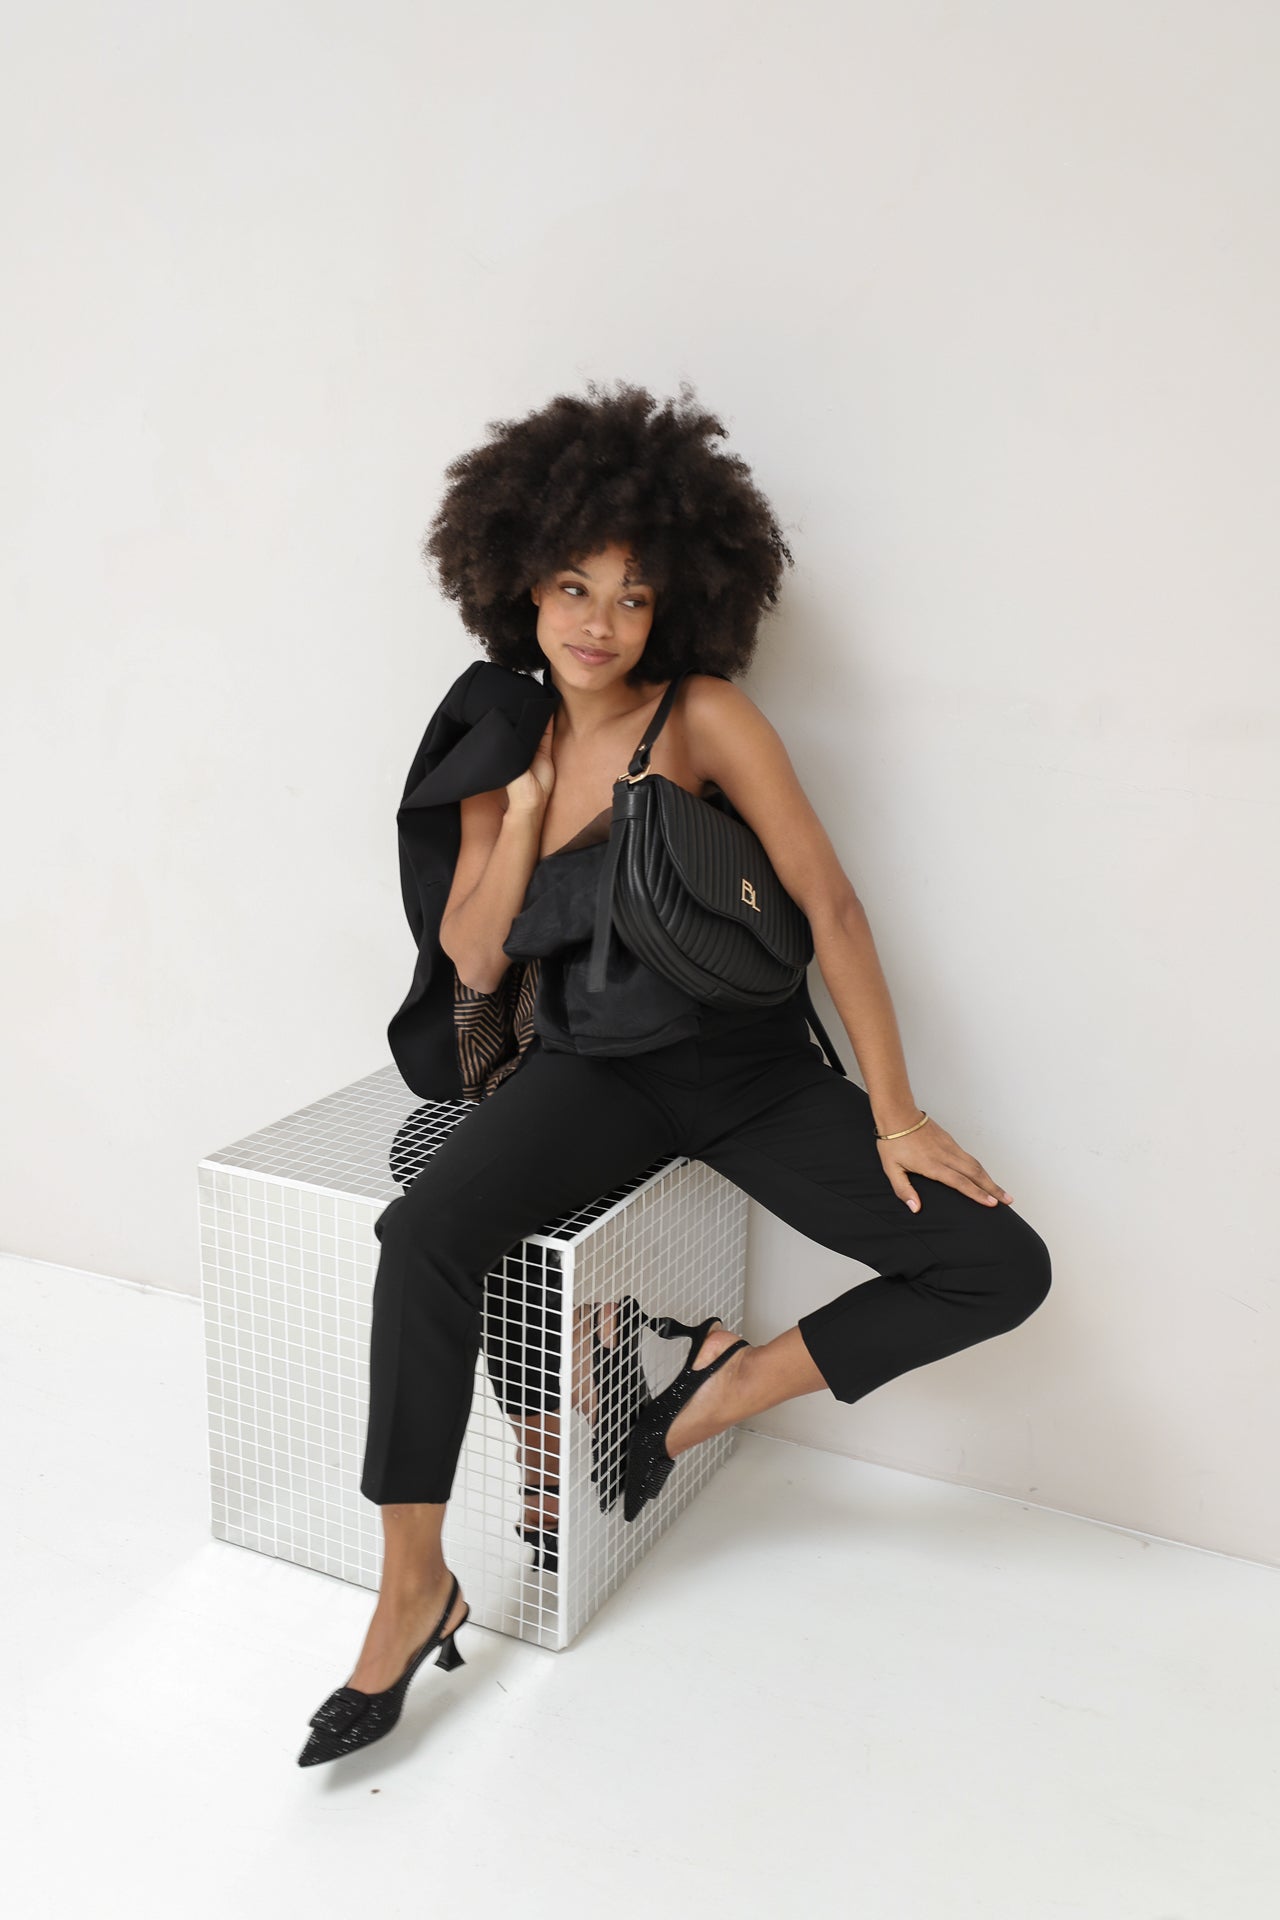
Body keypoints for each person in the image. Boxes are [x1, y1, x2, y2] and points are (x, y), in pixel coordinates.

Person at [298, 379, 1052, 1766]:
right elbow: (475, 957)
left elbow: (832, 908)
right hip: (597, 1075)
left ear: (675, 607)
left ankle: (714, 1394)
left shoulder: (702, 716)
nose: (598, 622)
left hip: (752, 1072)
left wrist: (897, 1113)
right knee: (424, 1235)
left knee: (1000, 1265)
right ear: (520, 583)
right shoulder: (498, 741)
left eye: (632, 597)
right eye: (573, 587)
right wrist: (525, 808)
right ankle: (412, 1585)